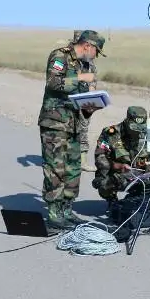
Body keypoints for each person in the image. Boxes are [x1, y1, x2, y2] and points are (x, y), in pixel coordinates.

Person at [37, 29, 105, 229]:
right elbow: (53, 82)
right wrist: (81, 78)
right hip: (55, 123)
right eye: (97, 51)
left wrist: (91, 106)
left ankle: (67, 210)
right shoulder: (60, 56)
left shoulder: (83, 63)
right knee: (56, 169)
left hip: (75, 123)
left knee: (73, 169)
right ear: (88, 46)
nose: (96, 56)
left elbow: (80, 98)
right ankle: (54, 212)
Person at [91, 106, 150, 205]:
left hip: (140, 174)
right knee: (104, 184)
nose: (137, 132)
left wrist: (149, 167)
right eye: (134, 128)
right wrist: (118, 166)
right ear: (127, 121)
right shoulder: (110, 133)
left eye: (140, 128)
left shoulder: (149, 134)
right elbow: (100, 156)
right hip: (119, 174)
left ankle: (139, 198)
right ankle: (112, 201)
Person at [70, 29, 101, 173]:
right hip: (70, 101)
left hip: (85, 101)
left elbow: (93, 78)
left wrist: (93, 92)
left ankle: (82, 160)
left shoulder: (89, 62)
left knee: (84, 128)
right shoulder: (70, 60)